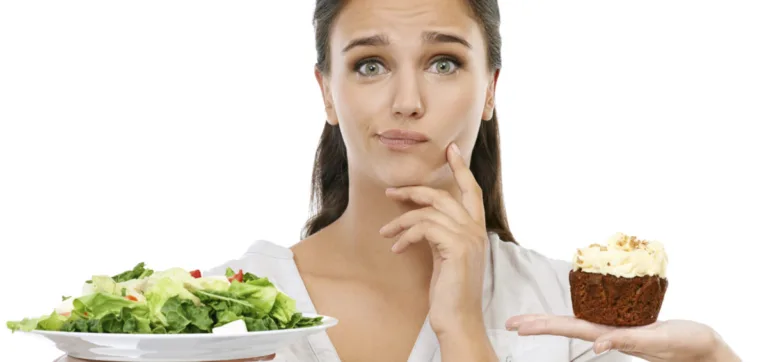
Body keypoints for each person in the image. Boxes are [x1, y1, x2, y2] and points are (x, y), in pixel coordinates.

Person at [56, 0, 741, 361]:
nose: (407, 100)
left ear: (491, 87)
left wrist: (462, 329)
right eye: (370, 65)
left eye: (444, 62)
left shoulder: (567, 316)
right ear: (327, 92)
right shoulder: (224, 315)